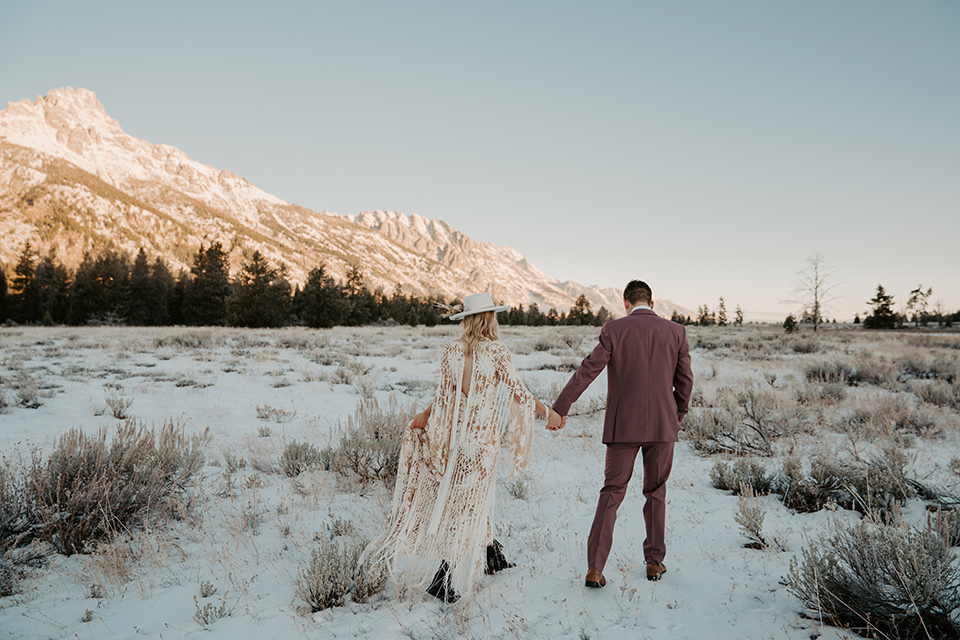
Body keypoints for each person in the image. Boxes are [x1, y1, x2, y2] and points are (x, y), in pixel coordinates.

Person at [359, 292, 561, 603]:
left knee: (472, 497)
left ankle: (492, 552)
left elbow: (443, 397)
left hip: (452, 440)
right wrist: (551, 414)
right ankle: (444, 576)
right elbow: (519, 394)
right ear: (489, 318)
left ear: (466, 320)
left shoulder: (450, 352)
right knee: (468, 505)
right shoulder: (497, 352)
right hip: (480, 442)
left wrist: (425, 416)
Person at [550, 280, 693, 587]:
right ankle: (655, 562)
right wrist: (675, 416)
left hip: (623, 426)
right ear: (652, 304)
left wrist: (561, 407)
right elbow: (685, 383)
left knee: (612, 491)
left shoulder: (614, 330)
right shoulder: (677, 332)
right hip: (662, 427)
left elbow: (587, 370)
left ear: (626, 304)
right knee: (656, 491)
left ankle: (595, 568)